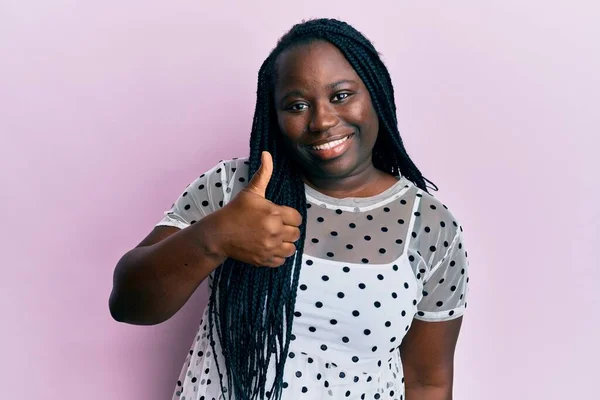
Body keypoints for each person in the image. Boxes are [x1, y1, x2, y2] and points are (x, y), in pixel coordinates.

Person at [109, 18, 470, 400]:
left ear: (376, 94)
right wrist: (213, 237)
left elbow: (427, 380)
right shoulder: (234, 187)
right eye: (297, 105)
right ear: (275, 116)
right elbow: (127, 304)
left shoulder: (429, 225)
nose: (322, 121)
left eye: (342, 95)